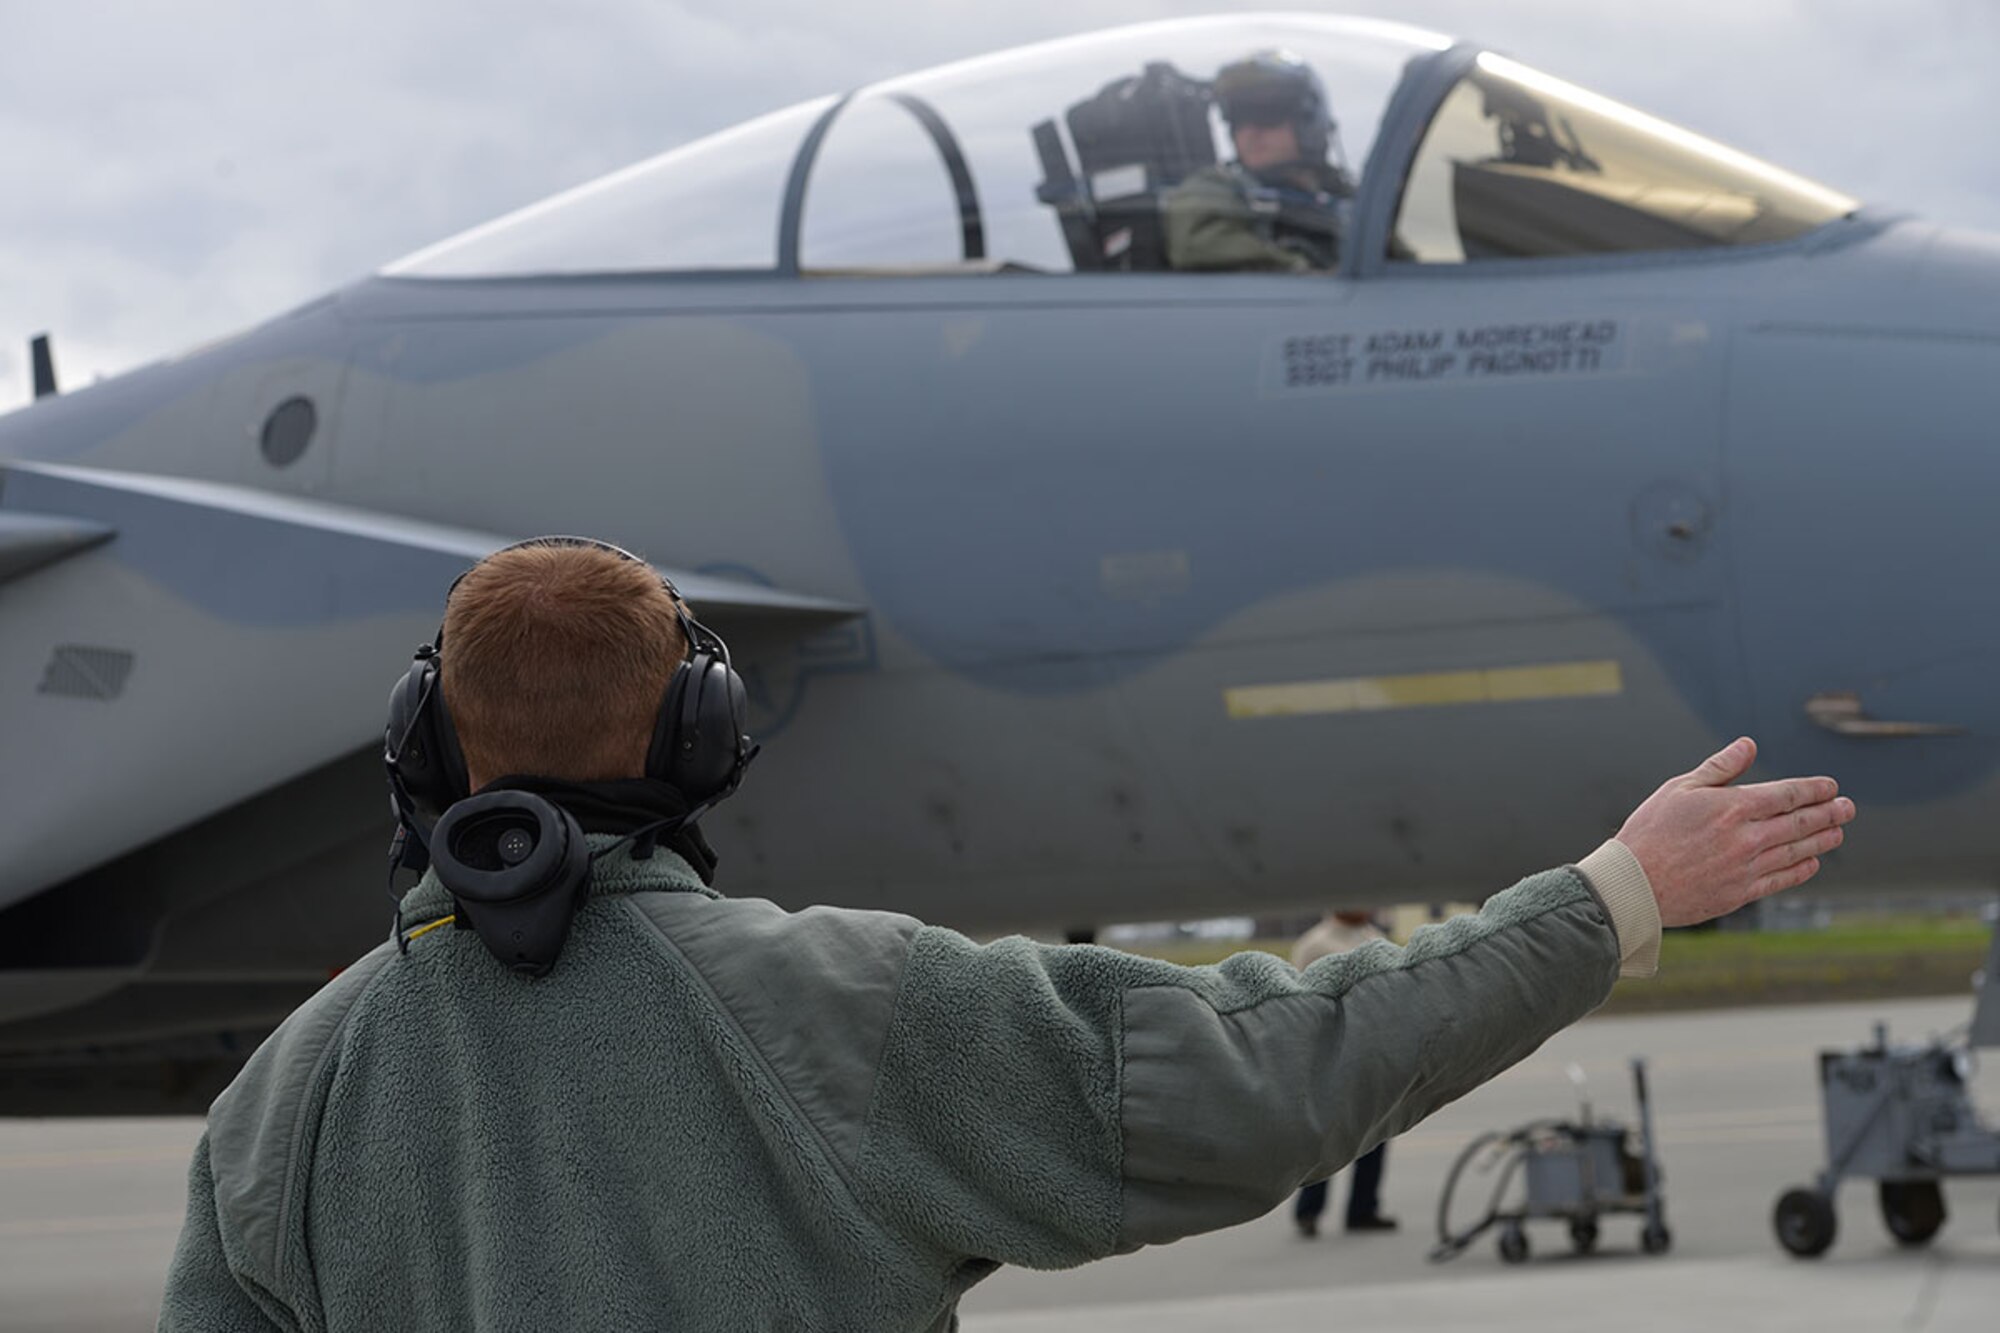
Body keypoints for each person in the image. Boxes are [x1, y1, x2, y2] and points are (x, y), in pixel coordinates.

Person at [158, 537, 1855, 1332]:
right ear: (699, 733)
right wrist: (1617, 889)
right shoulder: (846, 1010)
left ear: (426, 741)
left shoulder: (279, 1105)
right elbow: (1274, 1069)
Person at [1164, 50, 1352, 272]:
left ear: (1308, 122)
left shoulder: (1346, 198)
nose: (1250, 133)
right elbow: (1195, 242)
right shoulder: (1213, 189)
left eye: (1266, 114)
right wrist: (1303, 271)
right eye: (1239, 118)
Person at [1289, 909, 1397, 1237]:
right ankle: (1309, 1211)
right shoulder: (1315, 944)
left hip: (1370, 1050)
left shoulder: (1374, 937)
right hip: (1330, 1054)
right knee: (1325, 1138)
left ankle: (1363, 1210)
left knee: (1375, 1136)